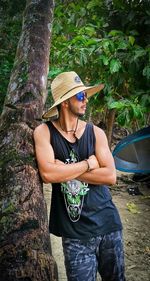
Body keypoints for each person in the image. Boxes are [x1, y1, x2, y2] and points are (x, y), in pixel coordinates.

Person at [34, 71, 126, 281]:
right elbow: (48, 174)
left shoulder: (96, 133)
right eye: (80, 96)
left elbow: (110, 176)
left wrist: (65, 171)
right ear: (65, 102)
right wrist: (88, 163)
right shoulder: (44, 132)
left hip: (108, 225)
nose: (86, 100)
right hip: (75, 234)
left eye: (86, 95)